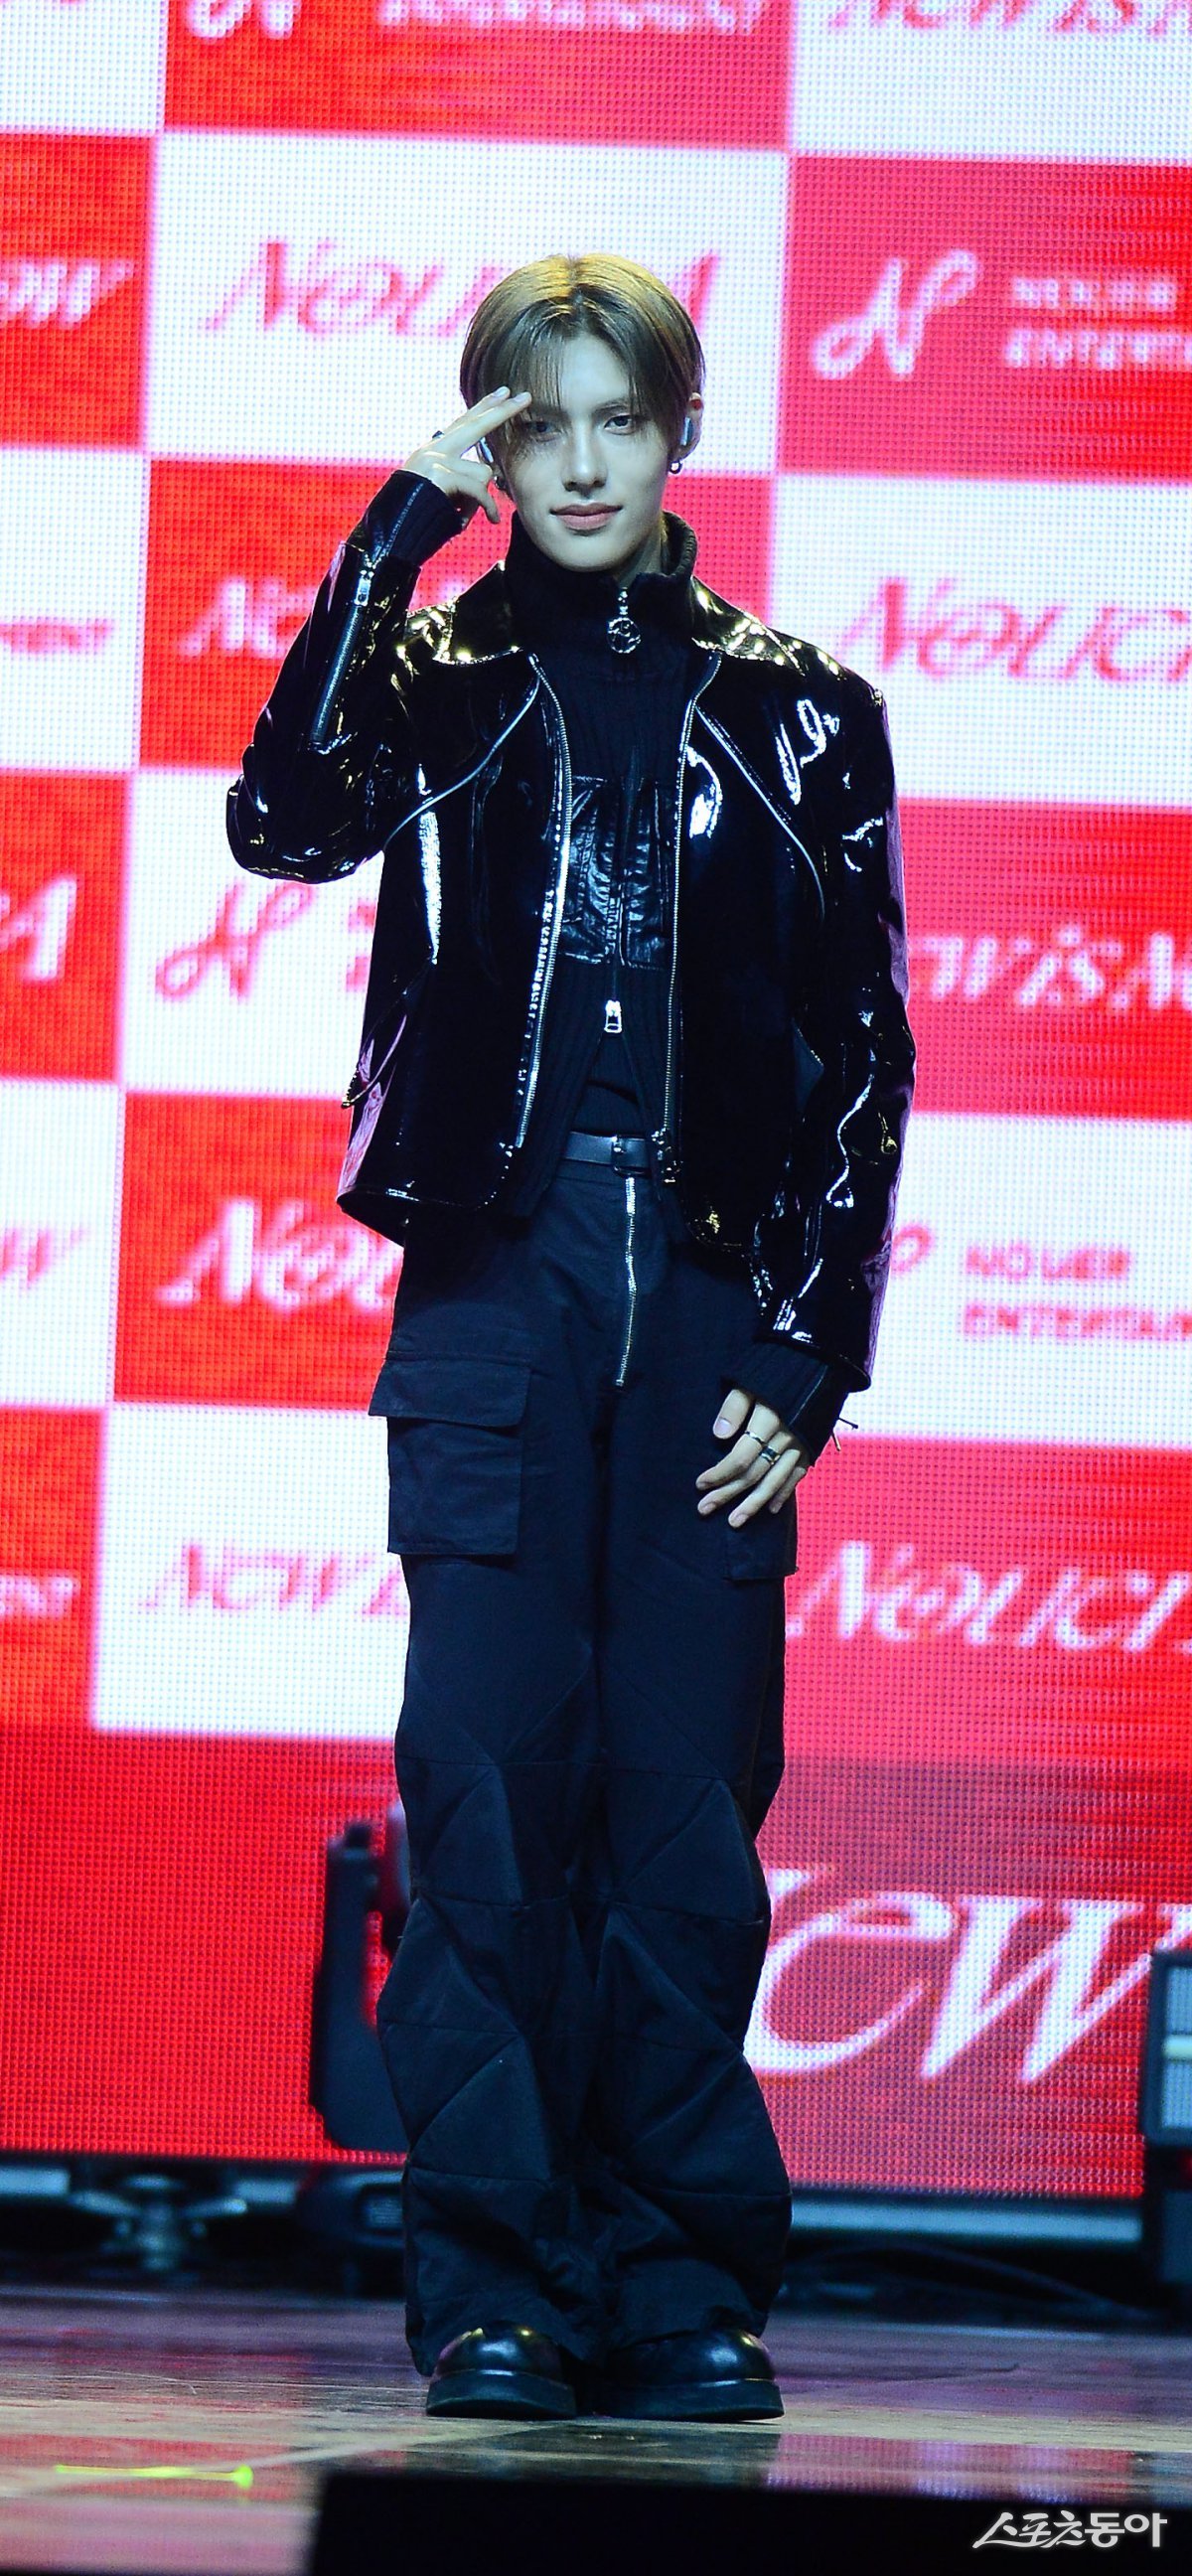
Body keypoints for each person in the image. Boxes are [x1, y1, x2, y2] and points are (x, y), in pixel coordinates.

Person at [227, 252, 914, 2424]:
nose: (588, 464)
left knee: (684, 1820)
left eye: (625, 418)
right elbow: (280, 816)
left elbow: (866, 1059)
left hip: (709, 1313)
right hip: (494, 1298)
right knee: (490, 1812)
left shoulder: (801, 709)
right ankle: (498, 2292)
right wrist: (389, 530)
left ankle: (682, 2284)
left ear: (682, 433)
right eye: (543, 425)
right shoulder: (433, 677)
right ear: (494, 444)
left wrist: (806, 1356)